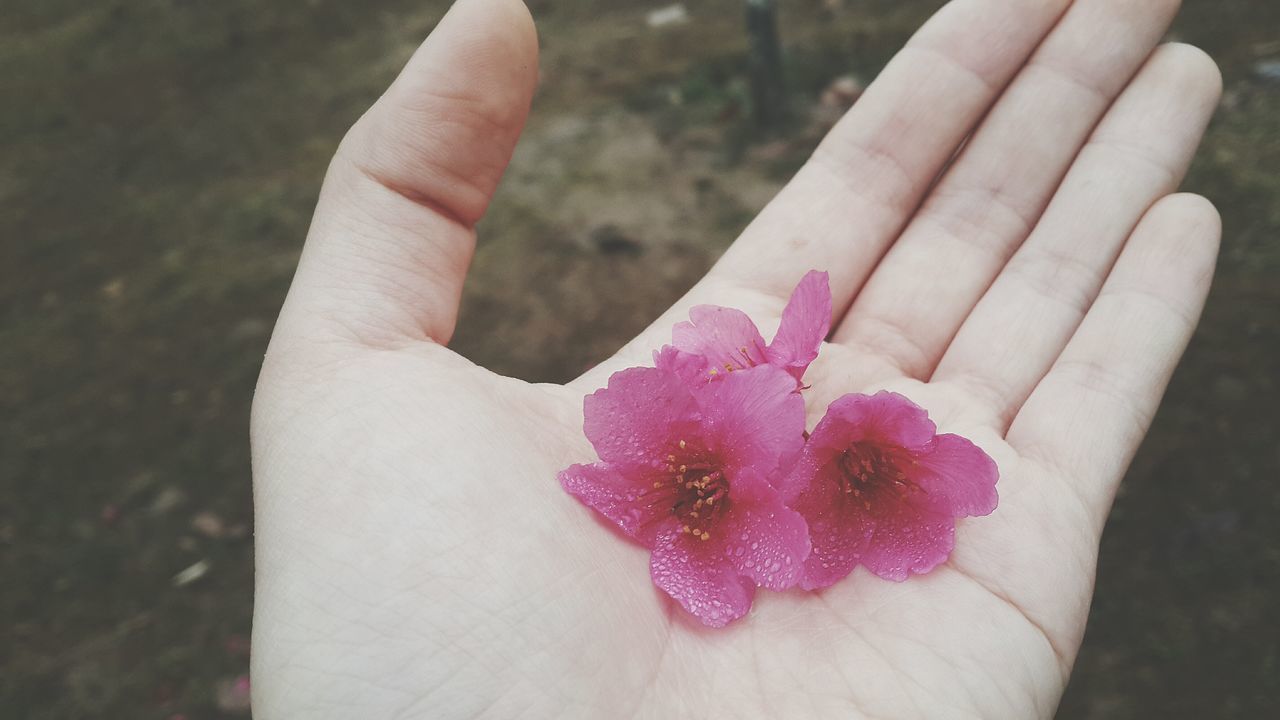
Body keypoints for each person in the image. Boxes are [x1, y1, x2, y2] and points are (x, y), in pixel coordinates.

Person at [248, 0, 1222, 716]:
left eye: (702, 479)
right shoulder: (708, 464)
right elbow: (680, 473)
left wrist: (789, 401)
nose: (699, 487)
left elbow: (791, 483)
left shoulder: (788, 445)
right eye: (696, 479)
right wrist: (752, 408)